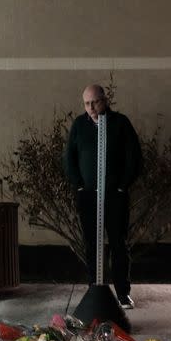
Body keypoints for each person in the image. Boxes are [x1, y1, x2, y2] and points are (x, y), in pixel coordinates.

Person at [62, 84, 142, 309]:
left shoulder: (120, 123)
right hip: (88, 196)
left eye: (95, 102)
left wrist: (122, 186)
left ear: (104, 100)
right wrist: (79, 186)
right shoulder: (79, 125)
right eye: (87, 104)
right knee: (91, 244)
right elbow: (69, 158)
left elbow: (134, 157)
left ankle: (123, 293)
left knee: (118, 244)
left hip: (115, 197)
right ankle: (94, 290)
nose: (91, 107)